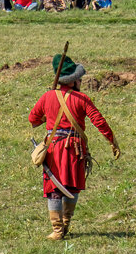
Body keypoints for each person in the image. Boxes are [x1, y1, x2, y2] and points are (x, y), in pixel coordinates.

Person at [28, 53, 120, 240]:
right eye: (79, 78)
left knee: (54, 189)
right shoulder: (82, 99)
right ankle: (65, 224)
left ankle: (58, 230)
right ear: (72, 81)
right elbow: (99, 122)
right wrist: (112, 141)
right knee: (71, 186)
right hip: (75, 148)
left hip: (54, 148)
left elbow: (33, 120)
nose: (81, 81)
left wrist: (48, 112)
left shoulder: (47, 96)